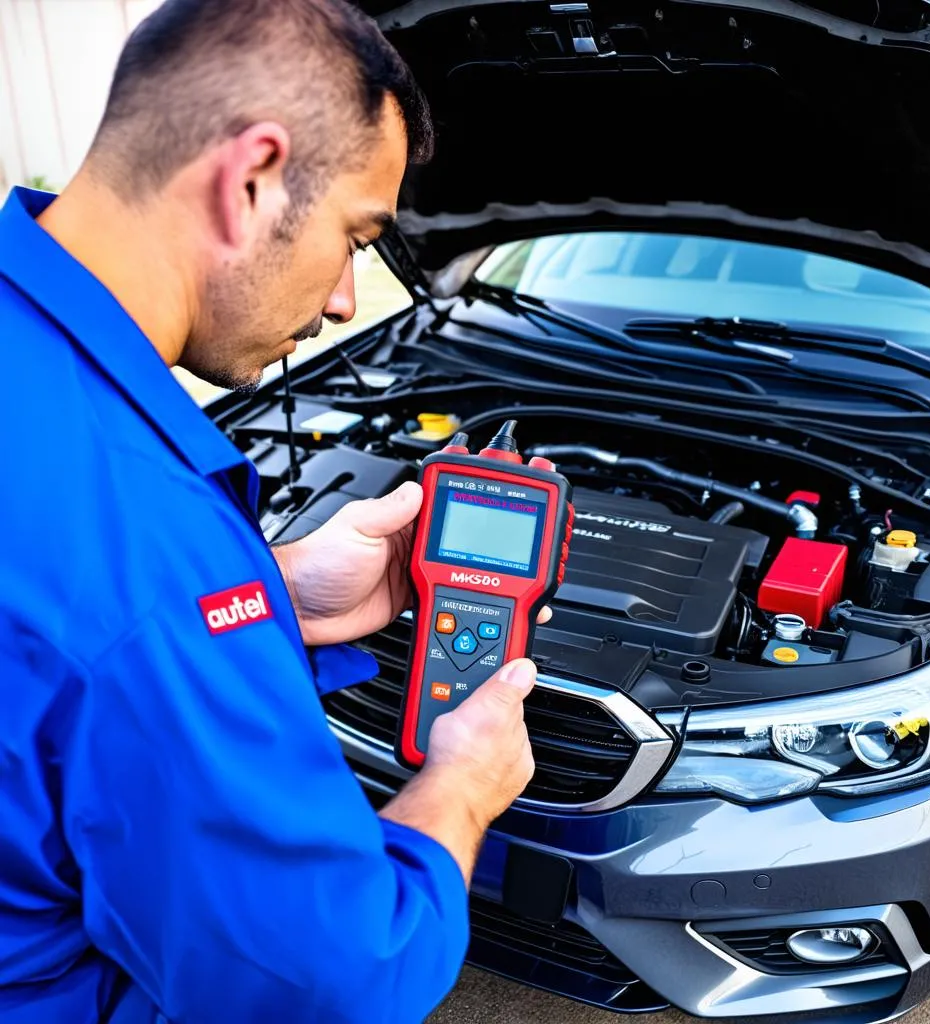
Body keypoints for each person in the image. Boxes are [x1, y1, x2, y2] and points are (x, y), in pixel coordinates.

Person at [0, 2, 541, 1021]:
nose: (344, 299)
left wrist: (268, 592)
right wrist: (460, 790)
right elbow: (326, 982)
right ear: (250, 180)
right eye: (354, 237)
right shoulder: (149, 550)